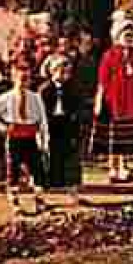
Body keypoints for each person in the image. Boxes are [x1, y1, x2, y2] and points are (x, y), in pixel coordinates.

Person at [0, 60, 49, 216]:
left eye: (27, 78)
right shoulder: (7, 98)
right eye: (21, 78)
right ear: (14, 78)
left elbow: (42, 120)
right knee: (14, 170)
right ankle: (14, 200)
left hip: (31, 137)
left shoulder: (35, 98)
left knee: (37, 169)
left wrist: (44, 141)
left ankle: (39, 199)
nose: (24, 82)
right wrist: (3, 127)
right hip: (15, 137)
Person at [92, 11, 133, 183]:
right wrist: (99, 100)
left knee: (126, 136)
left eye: (131, 35)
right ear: (117, 36)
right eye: (125, 35)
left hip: (131, 100)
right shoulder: (110, 55)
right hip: (114, 100)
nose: (129, 38)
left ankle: (124, 166)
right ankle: (113, 168)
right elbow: (103, 80)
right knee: (114, 136)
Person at [37, 53, 88, 205]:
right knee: (47, 159)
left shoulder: (73, 89)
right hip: (50, 126)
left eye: (67, 72)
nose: (65, 75)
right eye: (61, 71)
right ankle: (41, 195)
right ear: (52, 71)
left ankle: (73, 193)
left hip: (67, 126)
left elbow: (78, 109)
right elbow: (40, 112)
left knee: (70, 159)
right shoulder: (44, 90)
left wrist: (77, 124)